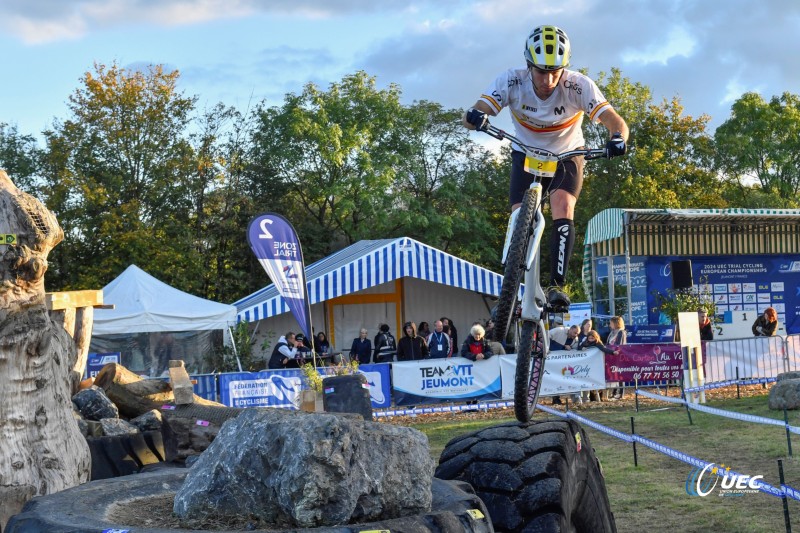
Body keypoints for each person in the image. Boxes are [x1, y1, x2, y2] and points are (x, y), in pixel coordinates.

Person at [463, 25, 628, 312]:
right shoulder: (512, 81)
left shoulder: (578, 85)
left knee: (563, 206)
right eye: (541, 71)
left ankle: (557, 286)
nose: (549, 79)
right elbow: (477, 109)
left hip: (567, 155)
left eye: (556, 71)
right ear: (529, 65)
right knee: (518, 215)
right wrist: (475, 116)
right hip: (525, 153)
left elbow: (616, 120)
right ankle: (514, 276)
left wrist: (618, 138)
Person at [606, 316, 627, 400]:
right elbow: (608, 343)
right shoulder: (611, 332)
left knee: (620, 374)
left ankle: (621, 393)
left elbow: (619, 344)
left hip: (619, 355)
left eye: (611, 322)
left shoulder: (621, 332)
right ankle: (614, 392)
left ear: (616, 323)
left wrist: (615, 351)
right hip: (611, 355)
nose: (610, 324)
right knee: (614, 373)